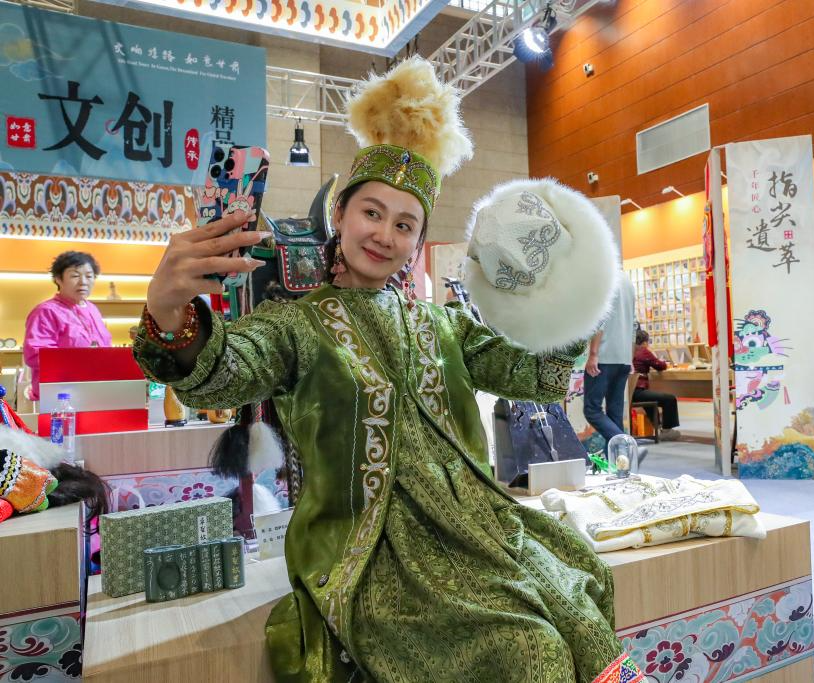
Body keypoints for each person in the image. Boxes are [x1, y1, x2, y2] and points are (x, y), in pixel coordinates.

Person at [132, 58, 639, 683]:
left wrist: (572, 301)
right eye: (371, 213)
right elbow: (224, 372)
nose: (384, 235)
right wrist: (168, 312)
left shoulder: (443, 324)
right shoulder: (293, 326)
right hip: (371, 550)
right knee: (529, 647)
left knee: (581, 601)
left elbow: (532, 377)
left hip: (479, 530)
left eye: (405, 224)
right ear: (340, 216)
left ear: (417, 242)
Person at [23, 251, 112, 401]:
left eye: (89, 276)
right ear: (58, 279)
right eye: (75, 276)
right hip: (60, 395)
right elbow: (36, 354)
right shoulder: (46, 311)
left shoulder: (92, 309)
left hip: (96, 389)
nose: (83, 282)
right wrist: (81, 364)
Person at [584, 271, 636, 450]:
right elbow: (633, 324)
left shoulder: (603, 277)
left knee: (592, 409)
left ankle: (626, 444)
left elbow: (600, 320)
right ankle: (620, 461)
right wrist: (630, 356)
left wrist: (593, 353)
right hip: (623, 358)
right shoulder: (627, 281)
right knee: (615, 414)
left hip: (604, 356)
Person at [632, 328, 681, 441]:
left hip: (631, 392)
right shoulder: (643, 351)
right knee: (670, 399)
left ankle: (658, 428)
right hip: (638, 391)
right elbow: (660, 365)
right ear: (645, 342)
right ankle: (667, 430)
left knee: (651, 397)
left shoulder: (632, 351)